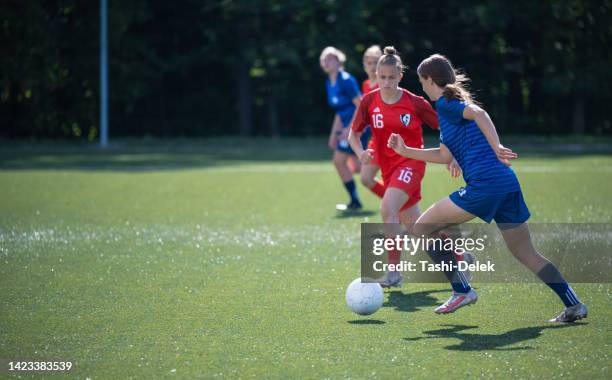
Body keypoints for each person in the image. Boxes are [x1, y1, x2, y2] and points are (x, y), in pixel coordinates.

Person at [387, 53, 587, 322]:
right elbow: (445, 155)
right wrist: (406, 150)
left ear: (430, 79)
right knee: (526, 253)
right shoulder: (451, 104)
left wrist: (497, 146)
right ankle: (574, 304)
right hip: (506, 183)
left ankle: (462, 289)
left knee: (423, 226)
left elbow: (479, 113)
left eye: (421, 81)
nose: (421, 87)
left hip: (485, 185)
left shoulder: (446, 103)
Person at [349, 46, 464, 288]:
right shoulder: (369, 100)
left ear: (400, 76)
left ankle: (393, 273)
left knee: (387, 209)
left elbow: (445, 127)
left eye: (392, 77)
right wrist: (361, 153)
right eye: (382, 77)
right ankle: (460, 257)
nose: (387, 82)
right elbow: (354, 133)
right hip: (389, 169)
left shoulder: (415, 102)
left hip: (412, 163)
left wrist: (453, 155)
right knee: (417, 227)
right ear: (376, 75)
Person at [320, 46, 367, 211]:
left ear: (338, 61)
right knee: (356, 167)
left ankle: (356, 201)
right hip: (347, 129)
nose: (326, 62)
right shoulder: (329, 82)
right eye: (324, 59)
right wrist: (334, 134)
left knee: (340, 162)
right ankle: (356, 200)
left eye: (330, 58)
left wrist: (351, 129)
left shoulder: (346, 79)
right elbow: (339, 113)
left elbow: (360, 105)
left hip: (359, 128)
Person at [359, 45, 386, 199]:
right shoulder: (365, 84)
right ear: (364, 64)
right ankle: (398, 205)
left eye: (375, 62)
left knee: (391, 178)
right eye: (368, 62)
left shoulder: (385, 83)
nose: (372, 66)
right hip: (375, 138)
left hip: (389, 138)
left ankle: (398, 207)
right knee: (366, 178)